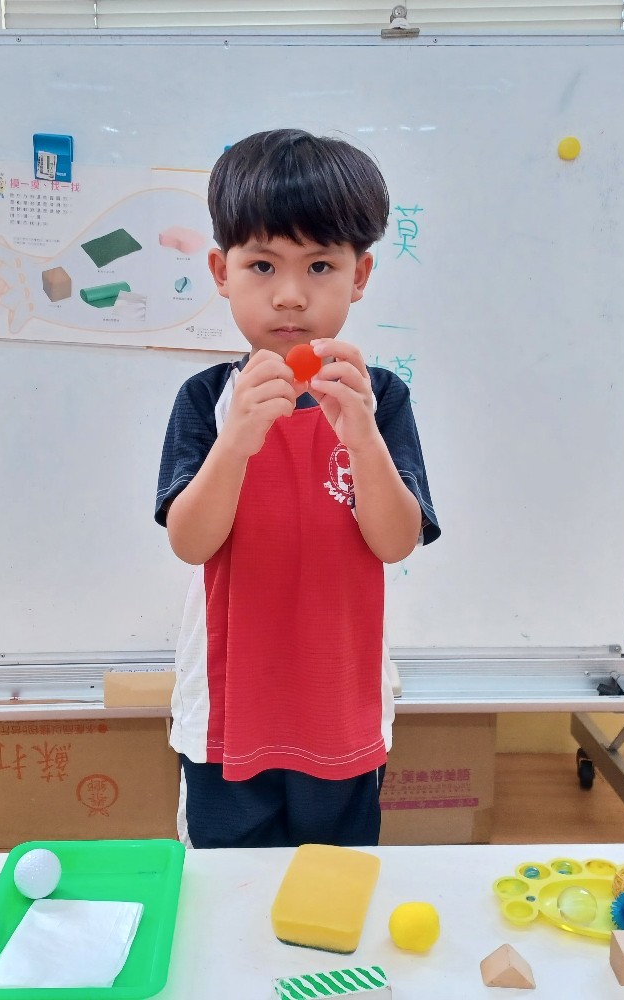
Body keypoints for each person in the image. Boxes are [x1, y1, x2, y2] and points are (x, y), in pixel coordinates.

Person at [155, 128, 440, 849]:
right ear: (221, 271)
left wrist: (361, 437)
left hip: (340, 703)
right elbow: (190, 542)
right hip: (226, 710)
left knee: (333, 881)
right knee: (226, 883)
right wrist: (236, 442)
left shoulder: (379, 398)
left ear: (360, 274)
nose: (289, 295)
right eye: (261, 265)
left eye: (319, 265)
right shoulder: (207, 399)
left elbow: (395, 541)